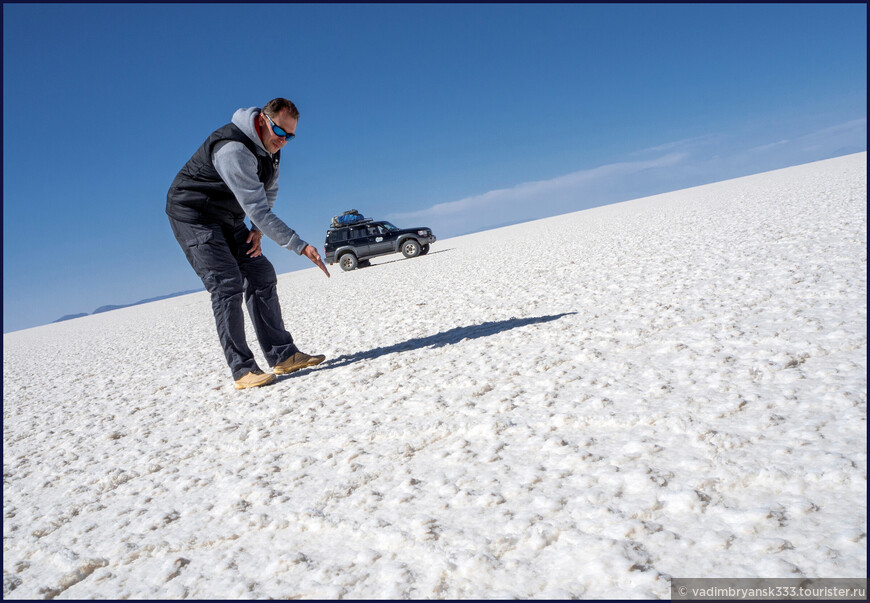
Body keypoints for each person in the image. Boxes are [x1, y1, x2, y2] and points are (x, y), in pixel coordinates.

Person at [166, 98, 330, 389]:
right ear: (263, 121)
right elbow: (259, 208)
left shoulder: (270, 150)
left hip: (228, 216)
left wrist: (257, 230)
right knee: (226, 283)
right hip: (195, 216)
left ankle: (283, 355)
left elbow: (269, 191)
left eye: (290, 136)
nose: (284, 141)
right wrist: (300, 245)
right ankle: (242, 370)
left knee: (260, 273)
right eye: (281, 132)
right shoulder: (233, 150)